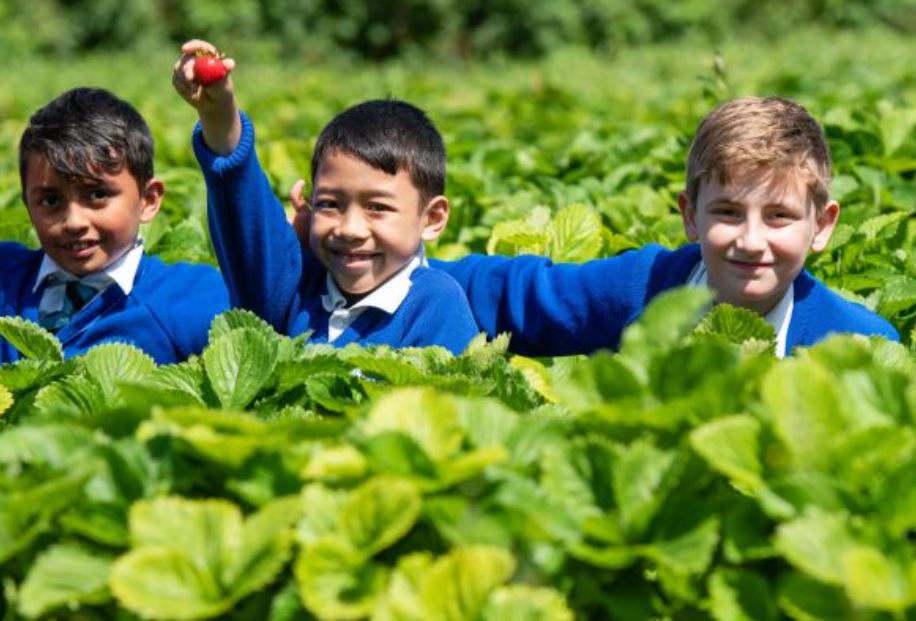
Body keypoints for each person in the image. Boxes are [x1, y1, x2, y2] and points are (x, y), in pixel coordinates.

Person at [290, 96, 899, 358]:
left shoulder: (860, 347)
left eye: (780, 217)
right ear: (690, 215)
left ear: (823, 226)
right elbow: (514, 291)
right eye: (727, 212)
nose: (751, 239)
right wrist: (361, 254)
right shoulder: (643, 288)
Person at [173, 40, 478, 355]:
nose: (349, 229)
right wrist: (219, 116)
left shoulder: (436, 306)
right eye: (330, 204)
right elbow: (249, 233)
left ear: (432, 218)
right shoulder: (297, 289)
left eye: (377, 207)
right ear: (308, 203)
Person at [1, 87, 229, 364]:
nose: (74, 222)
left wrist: (222, 119)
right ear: (27, 204)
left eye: (97, 195)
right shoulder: (7, 278)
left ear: (148, 200)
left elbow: (273, 313)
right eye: (50, 201)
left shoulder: (186, 300)